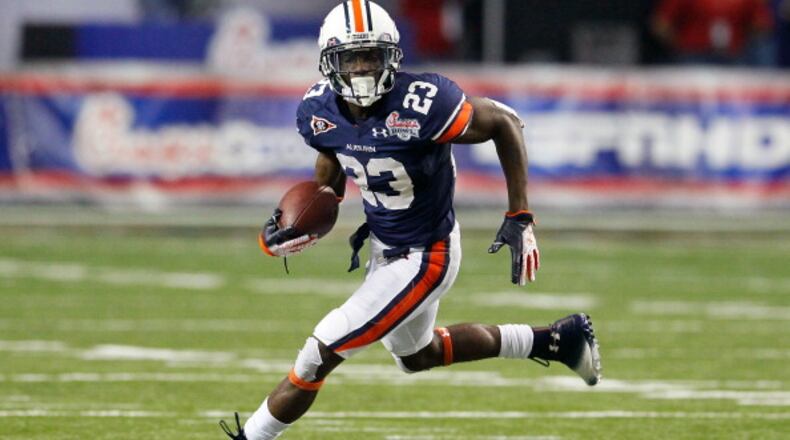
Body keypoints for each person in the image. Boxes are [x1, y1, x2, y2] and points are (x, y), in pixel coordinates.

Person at [220, 2, 601, 439]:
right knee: (418, 354)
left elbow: (504, 122)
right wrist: (305, 217)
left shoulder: (423, 102)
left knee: (319, 352)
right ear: (330, 62)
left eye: (371, 56)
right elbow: (331, 171)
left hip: (427, 255)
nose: (362, 68)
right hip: (386, 247)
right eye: (352, 58)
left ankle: (251, 436)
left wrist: (520, 213)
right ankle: (558, 339)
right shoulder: (317, 111)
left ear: (392, 57)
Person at [651, 0, 774, 65]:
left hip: (733, 56)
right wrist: (680, 46)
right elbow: (661, 24)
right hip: (693, 56)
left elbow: (762, 25)